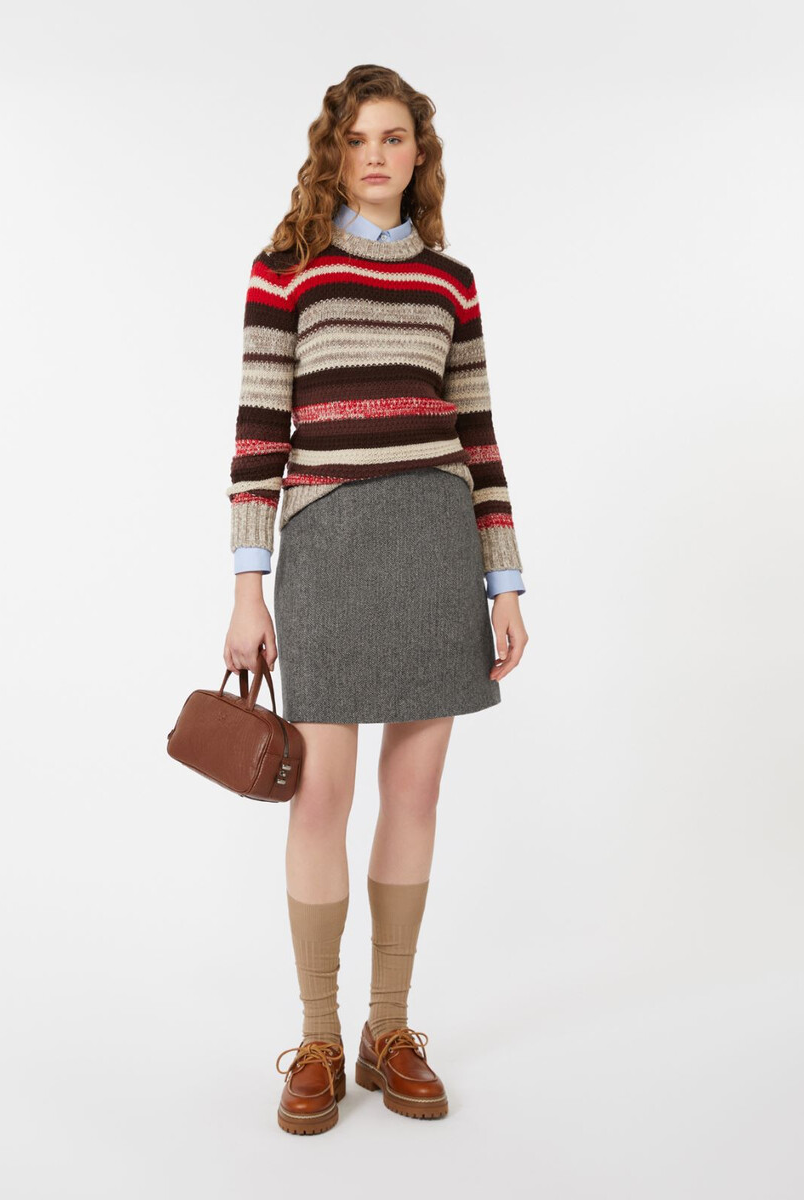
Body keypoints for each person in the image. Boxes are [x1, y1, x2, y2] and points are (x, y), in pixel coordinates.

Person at [223, 63, 529, 1134]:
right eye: (358, 138)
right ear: (334, 151)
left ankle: (387, 1029)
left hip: (437, 544)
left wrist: (505, 578)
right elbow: (258, 435)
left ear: (418, 154)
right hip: (328, 544)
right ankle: (317, 1034)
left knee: (417, 794)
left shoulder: (453, 281)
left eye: (394, 137)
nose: (376, 156)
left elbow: (479, 436)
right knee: (322, 796)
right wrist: (248, 588)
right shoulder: (287, 271)